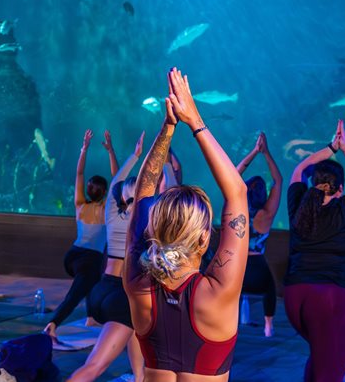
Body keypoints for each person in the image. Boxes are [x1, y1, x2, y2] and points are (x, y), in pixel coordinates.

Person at [124, 67, 248, 381]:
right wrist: (195, 121)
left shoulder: (138, 283)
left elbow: (143, 193)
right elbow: (237, 192)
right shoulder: (218, 293)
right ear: (205, 239)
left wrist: (168, 127)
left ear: (154, 228)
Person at [284, 119, 345, 382]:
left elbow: (300, 167)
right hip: (329, 300)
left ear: (314, 183)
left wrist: (330, 148)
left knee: (318, 360)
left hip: (294, 298)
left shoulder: (298, 206)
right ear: (340, 188)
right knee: (332, 371)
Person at [67, 132, 146, 382]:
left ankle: (140, 377)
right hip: (120, 295)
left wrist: (135, 155)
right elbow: (162, 185)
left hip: (101, 290)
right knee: (94, 367)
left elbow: (116, 182)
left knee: (135, 334)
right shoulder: (142, 220)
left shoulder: (113, 211)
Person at [44, 129, 116, 336]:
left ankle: (92, 317)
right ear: (105, 193)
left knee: (91, 282)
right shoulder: (105, 210)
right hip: (89, 259)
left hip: (72, 256)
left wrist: (84, 149)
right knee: (75, 294)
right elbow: (117, 178)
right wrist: (110, 151)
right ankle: (53, 323)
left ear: (89, 191)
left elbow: (79, 175)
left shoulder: (80, 205)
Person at [235, 131, 283, 337]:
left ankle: (232, 324)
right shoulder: (266, 214)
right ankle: (268, 325)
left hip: (240, 265)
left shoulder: (238, 210)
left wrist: (254, 152)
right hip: (258, 264)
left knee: (233, 293)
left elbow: (234, 174)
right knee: (269, 289)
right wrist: (266, 153)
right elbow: (278, 180)